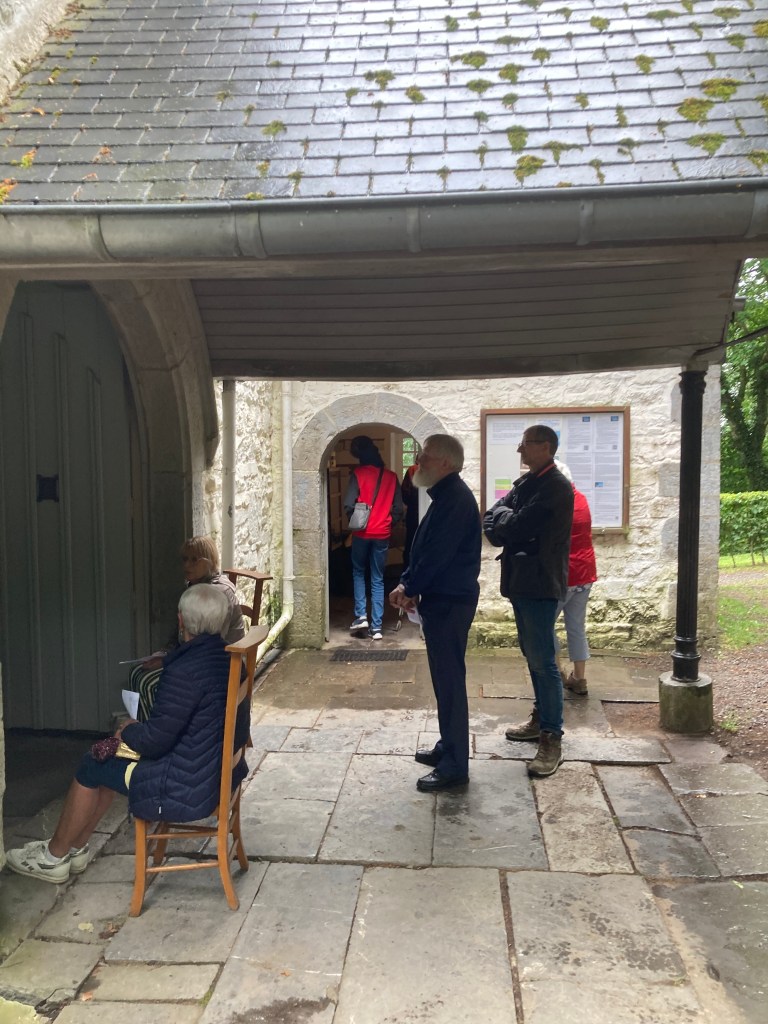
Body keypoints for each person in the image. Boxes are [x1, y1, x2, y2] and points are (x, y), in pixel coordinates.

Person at [5, 585, 248, 884]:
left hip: (182, 783)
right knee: (105, 760)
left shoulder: (184, 672)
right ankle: (75, 848)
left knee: (92, 764)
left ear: (181, 620)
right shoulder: (228, 659)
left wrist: (128, 729)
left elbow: (155, 741)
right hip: (210, 772)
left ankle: (53, 857)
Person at [389, 434, 481, 792]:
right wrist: (409, 582)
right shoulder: (445, 495)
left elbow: (437, 555)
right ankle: (448, 746)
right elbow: (424, 551)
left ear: (445, 463)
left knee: (450, 682)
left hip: (450, 602)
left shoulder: (455, 499)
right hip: (442, 600)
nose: (419, 461)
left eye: (425, 455)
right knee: (444, 681)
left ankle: (455, 765)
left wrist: (409, 587)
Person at [483, 425, 574, 779]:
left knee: (543, 660)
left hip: (540, 583)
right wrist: (505, 520)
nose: (519, 450)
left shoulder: (555, 487)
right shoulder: (528, 483)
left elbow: (515, 526)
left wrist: (506, 521)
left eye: (525, 444)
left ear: (546, 447)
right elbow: (492, 518)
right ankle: (541, 720)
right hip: (521, 581)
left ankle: (552, 737)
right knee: (532, 656)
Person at [129, 535, 245, 720]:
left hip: (218, 664)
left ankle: (159, 728)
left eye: (194, 560)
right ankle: (145, 726)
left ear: (210, 561)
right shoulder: (194, 587)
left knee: (151, 684)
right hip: (196, 657)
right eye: (184, 559)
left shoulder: (217, 593)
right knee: (137, 672)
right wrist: (163, 653)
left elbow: (211, 644)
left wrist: (168, 662)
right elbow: (179, 633)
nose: (187, 565)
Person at [344, 435, 403, 641]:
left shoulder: (358, 474)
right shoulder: (391, 477)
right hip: (382, 534)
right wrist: (388, 523)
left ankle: (361, 616)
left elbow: (349, 504)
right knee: (378, 577)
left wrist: (355, 521)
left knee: (359, 572)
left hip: (362, 533)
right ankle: (377, 627)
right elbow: (398, 509)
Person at [554, 461, 597, 696]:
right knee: (577, 627)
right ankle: (579, 678)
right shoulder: (581, 499)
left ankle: (557, 671)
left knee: (545, 625)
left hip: (564, 574)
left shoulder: (557, 502)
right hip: (585, 572)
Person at [401, 461, 420, 569]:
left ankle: (408, 571)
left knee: (410, 545)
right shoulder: (435, 469)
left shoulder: (412, 470)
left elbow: (405, 493)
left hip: (413, 514)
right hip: (426, 513)